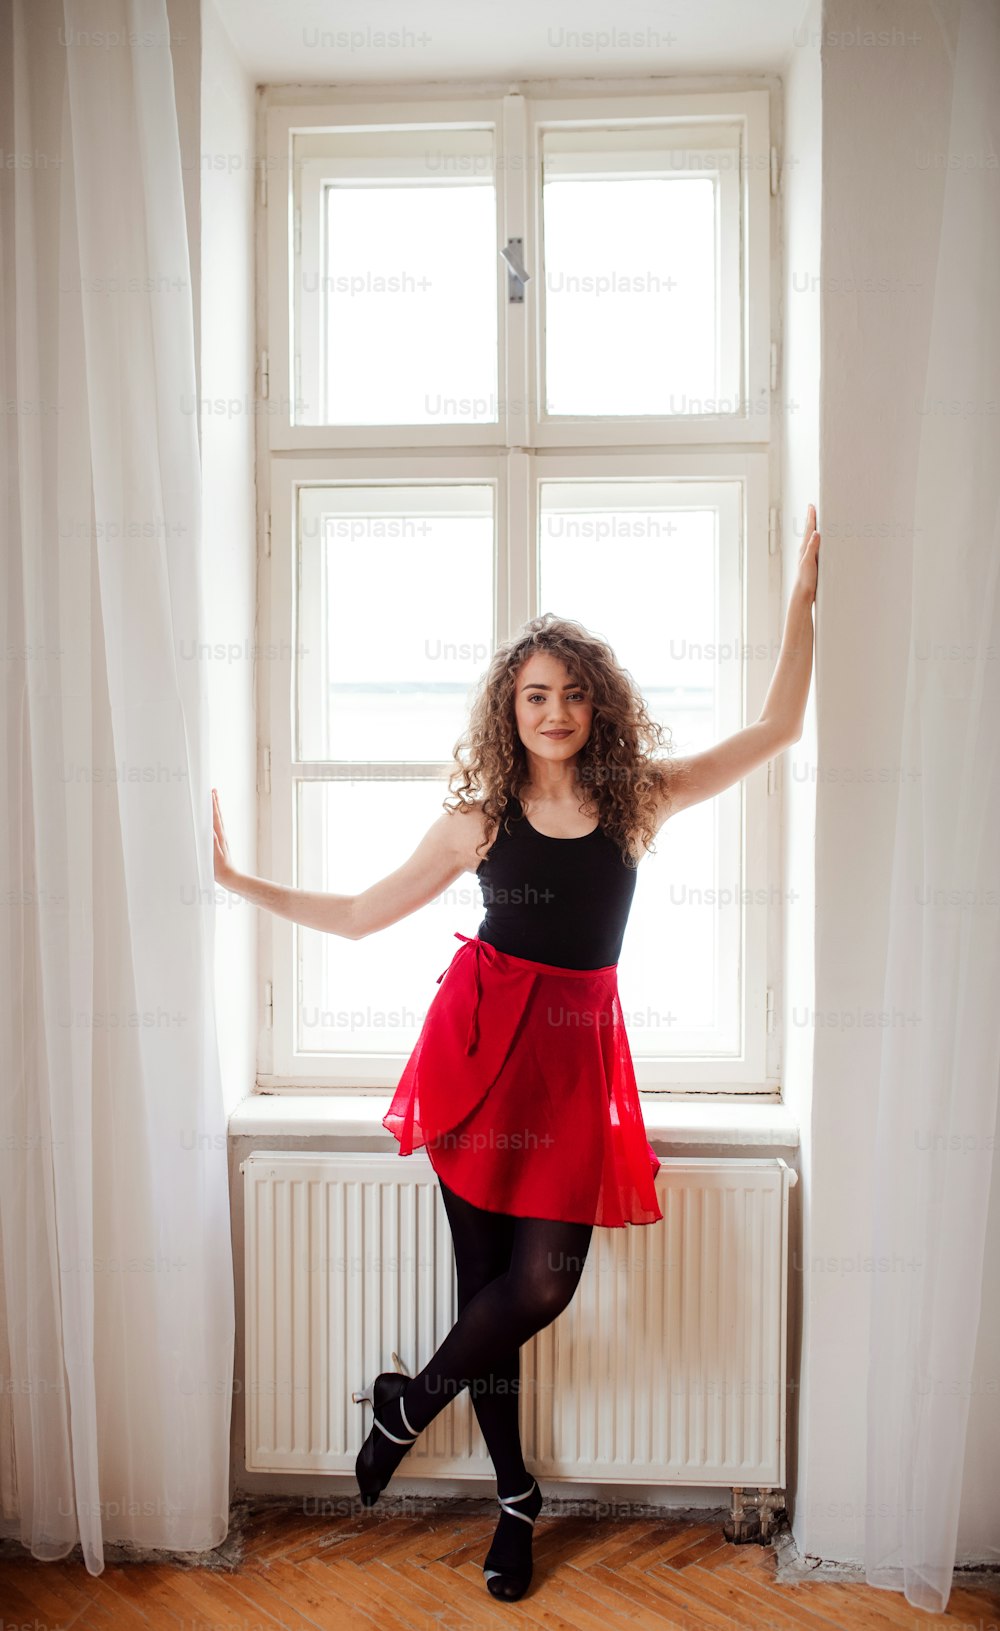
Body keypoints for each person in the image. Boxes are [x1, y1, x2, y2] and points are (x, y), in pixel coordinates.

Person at [211, 504, 820, 1602]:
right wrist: (238, 883)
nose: (555, 710)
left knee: (541, 1280)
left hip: (575, 1062)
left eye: (573, 692)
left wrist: (801, 604)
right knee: (487, 1285)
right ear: (510, 707)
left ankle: (405, 1402)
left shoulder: (640, 797)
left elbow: (776, 728)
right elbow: (358, 912)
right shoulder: (479, 818)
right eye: (535, 694)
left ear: (599, 703)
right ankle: (514, 1500)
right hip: (481, 1053)